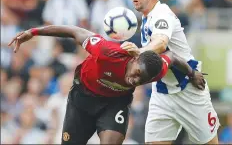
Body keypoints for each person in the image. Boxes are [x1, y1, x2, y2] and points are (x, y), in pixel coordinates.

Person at [8, 25, 206, 144]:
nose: (135, 81)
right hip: (82, 99)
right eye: (137, 74)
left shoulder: (154, 70)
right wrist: (33, 32)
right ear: (135, 58)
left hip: (115, 103)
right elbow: (74, 32)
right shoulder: (107, 52)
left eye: (141, 80)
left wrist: (192, 73)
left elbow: (171, 57)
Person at [122, 0, 220, 144]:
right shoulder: (146, 17)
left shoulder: (162, 15)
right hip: (162, 91)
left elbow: (160, 43)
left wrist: (140, 51)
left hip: (188, 87)